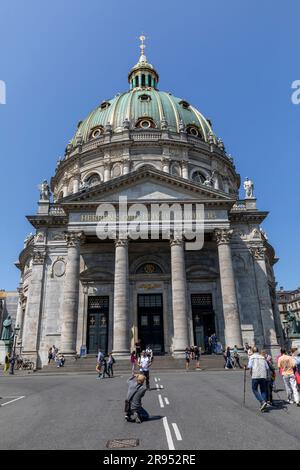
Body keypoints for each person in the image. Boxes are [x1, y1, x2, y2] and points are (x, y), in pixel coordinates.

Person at [247, 346, 269, 412]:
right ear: (258, 351)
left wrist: (246, 367)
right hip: (263, 375)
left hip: (255, 375)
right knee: (263, 390)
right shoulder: (262, 357)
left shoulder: (252, 357)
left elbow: (249, 366)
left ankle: (262, 402)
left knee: (254, 389)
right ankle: (263, 406)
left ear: (253, 351)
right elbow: (267, 367)